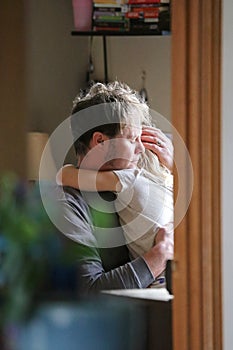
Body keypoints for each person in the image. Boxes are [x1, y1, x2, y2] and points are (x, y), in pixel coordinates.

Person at [57, 81, 173, 293]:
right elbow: (90, 292)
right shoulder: (67, 202)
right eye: (131, 139)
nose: (140, 148)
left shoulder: (129, 184)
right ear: (100, 141)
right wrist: (161, 254)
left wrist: (176, 167)